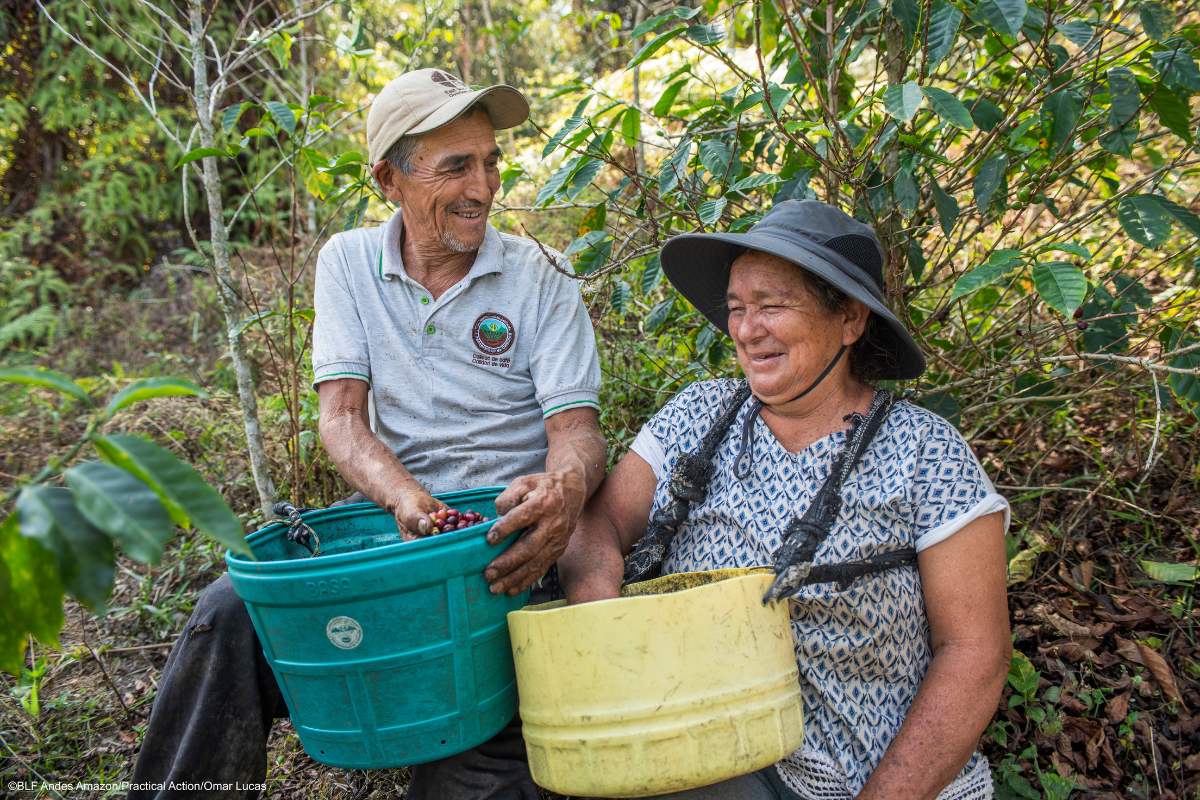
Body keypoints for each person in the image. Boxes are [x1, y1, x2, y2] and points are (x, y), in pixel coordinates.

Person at [129, 68, 607, 800]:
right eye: (455, 166)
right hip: (397, 530)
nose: (482, 187)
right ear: (388, 180)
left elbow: (576, 432)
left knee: (470, 746)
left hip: (500, 542)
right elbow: (342, 418)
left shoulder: (541, 274)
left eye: (489, 162)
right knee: (229, 611)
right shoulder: (349, 263)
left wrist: (562, 490)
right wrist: (406, 500)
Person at [558, 200, 1011, 800]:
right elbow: (601, 520)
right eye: (737, 308)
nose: (747, 330)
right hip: (697, 740)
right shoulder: (696, 414)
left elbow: (975, 652)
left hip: (859, 771)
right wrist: (599, 609)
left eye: (772, 305)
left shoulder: (926, 453)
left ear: (850, 319)